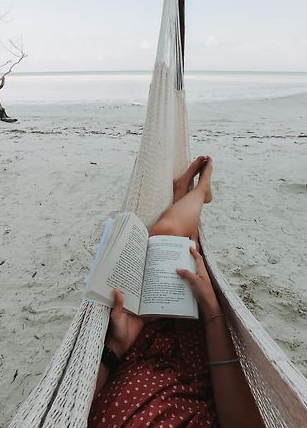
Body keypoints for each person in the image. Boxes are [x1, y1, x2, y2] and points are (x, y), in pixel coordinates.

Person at [89, 156, 264, 428]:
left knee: (165, 242)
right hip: (193, 359)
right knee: (173, 241)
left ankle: (185, 197)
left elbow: (77, 402)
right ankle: (197, 193)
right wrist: (213, 312)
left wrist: (115, 347)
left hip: (133, 350)